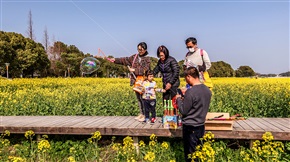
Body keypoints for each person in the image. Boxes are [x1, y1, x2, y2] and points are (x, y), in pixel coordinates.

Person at [176, 67, 212, 162]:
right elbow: (197, 105)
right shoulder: (207, 90)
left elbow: (183, 110)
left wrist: (179, 99)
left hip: (190, 127)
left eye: (185, 78)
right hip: (201, 126)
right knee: (199, 154)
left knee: (190, 156)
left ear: (189, 76)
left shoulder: (191, 92)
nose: (186, 81)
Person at [110, 42, 151, 121]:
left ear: (145, 50)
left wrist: (134, 70)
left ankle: (146, 115)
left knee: (144, 98)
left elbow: (146, 70)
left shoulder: (147, 59)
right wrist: (115, 60)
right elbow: (124, 60)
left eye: (141, 49)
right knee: (138, 99)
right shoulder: (134, 57)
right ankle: (141, 114)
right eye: (138, 49)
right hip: (136, 81)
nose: (140, 51)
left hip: (143, 81)